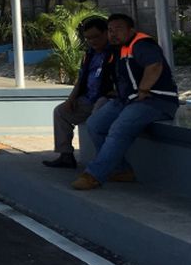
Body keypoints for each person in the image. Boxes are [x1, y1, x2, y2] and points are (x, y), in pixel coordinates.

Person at [72, 13, 179, 190]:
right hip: (127, 100)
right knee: (95, 124)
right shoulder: (118, 50)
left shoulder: (142, 44)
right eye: (110, 30)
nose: (113, 34)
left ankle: (94, 175)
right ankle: (121, 170)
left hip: (155, 100)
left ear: (131, 30)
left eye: (119, 29)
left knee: (118, 128)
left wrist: (143, 90)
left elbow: (154, 66)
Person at [42, 17, 115, 169]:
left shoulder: (116, 53)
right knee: (60, 111)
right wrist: (71, 100)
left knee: (96, 121)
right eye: (88, 38)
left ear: (106, 33)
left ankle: (103, 161)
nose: (93, 41)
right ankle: (66, 155)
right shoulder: (89, 55)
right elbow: (81, 80)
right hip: (87, 100)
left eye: (96, 37)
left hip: (107, 99)